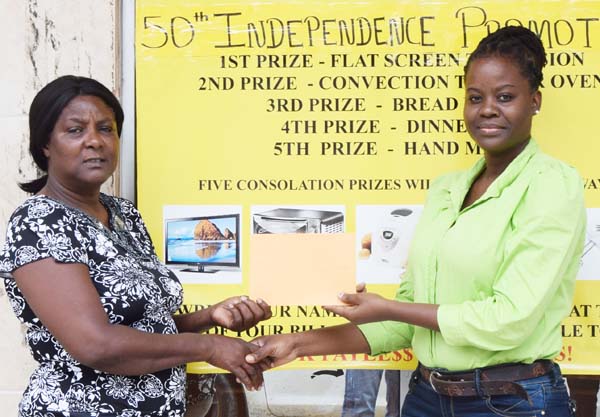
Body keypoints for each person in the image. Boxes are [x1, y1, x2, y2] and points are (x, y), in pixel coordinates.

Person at [246, 26, 585, 417]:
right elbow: (407, 321)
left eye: (505, 97)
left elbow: (508, 320)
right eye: (475, 98)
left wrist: (388, 308)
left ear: (535, 101)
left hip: (512, 402)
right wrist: (298, 343)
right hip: (426, 398)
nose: (487, 109)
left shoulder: (552, 185)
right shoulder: (446, 189)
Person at [0, 75, 272, 417]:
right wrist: (209, 347)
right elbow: (95, 344)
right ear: (45, 145)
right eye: (75, 130)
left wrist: (210, 317)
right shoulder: (39, 222)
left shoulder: (122, 214)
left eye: (105, 128)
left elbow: (146, 327)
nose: (94, 141)